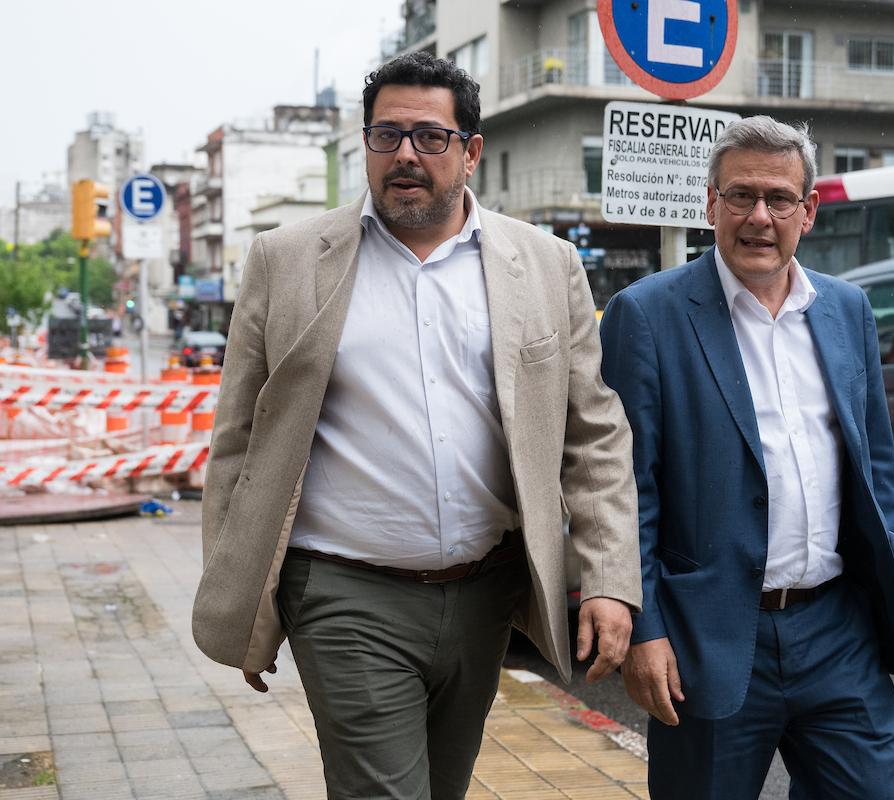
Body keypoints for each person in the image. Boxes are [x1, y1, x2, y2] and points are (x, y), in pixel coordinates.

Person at [192, 52, 641, 799]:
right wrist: (242, 597)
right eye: (386, 135)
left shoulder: (546, 265)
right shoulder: (287, 261)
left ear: (470, 152)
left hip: (486, 593)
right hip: (342, 592)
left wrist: (605, 576)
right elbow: (239, 439)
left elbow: (591, 435)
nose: (405, 154)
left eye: (430, 137)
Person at [599, 116, 894, 799]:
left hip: (838, 633)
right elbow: (625, 492)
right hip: (705, 642)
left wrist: (888, 594)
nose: (759, 217)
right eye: (741, 196)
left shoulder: (847, 310)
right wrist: (644, 630)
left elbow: (875, 470)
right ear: (711, 203)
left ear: (808, 211)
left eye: (779, 199)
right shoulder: (648, 315)